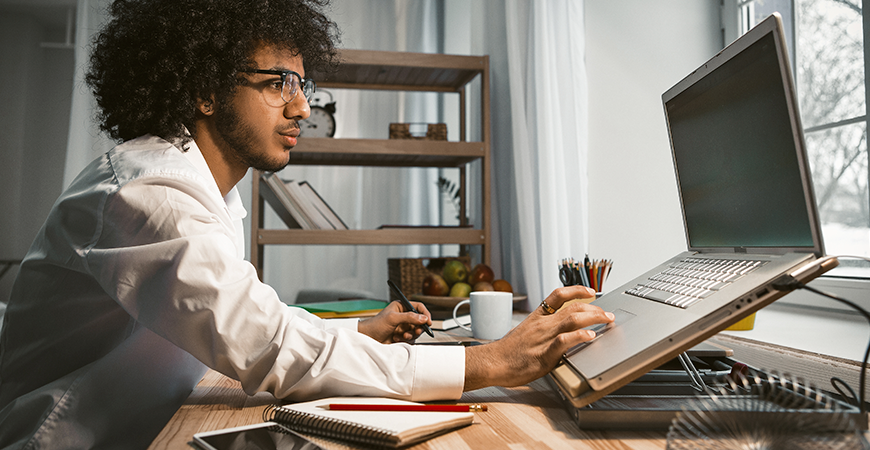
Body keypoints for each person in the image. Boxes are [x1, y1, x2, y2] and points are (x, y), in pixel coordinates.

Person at [0, 0, 614, 448]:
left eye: (301, 84)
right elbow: (267, 345)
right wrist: (488, 363)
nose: (301, 106)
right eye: (277, 84)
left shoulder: (203, 187)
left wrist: (360, 328)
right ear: (204, 91)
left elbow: (246, 316)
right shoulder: (150, 190)